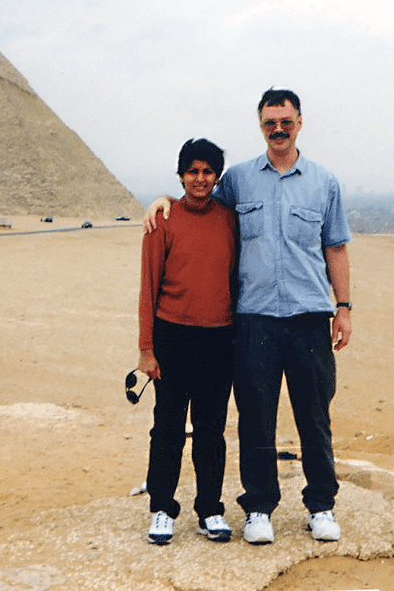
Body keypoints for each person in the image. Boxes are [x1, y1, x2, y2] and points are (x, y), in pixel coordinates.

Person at [144, 88, 351, 545]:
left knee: (314, 416)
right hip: (254, 321)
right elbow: (197, 199)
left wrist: (344, 307)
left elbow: (336, 247)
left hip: (309, 317)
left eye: (286, 121)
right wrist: (160, 199)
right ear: (260, 126)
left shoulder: (325, 182)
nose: (278, 129)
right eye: (270, 123)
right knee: (256, 417)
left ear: (299, 122)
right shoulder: (239, 180)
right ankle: (259, 507)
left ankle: (321, 505)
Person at [137, 138, 238, 546]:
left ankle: (210, 509)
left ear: (217, 176)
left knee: (212, 430)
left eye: (207, 171)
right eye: (192, 171)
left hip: (219, 337)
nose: (200, 179)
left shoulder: (230, 220)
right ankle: (162, 508)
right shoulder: (161, 221)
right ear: (180, 176)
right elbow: (148, 287)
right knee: (168, 428)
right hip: (173, 336)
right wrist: (146, 349)